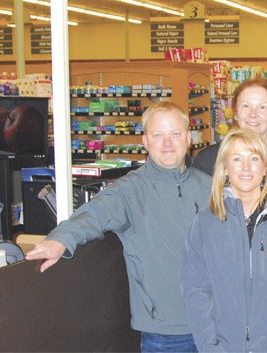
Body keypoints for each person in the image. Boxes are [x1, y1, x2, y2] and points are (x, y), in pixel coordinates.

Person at [25, 101, 212, 353]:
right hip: (165, 333)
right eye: (158, 135)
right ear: (145, 141)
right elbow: (93, 215)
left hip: (214, 324)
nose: (167, 143)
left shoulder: (210, 187)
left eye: (175, 134)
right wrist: (59, 240)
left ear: (188, 138)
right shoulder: (129, 190)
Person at [181, 128, 267, 352]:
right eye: (236, 158)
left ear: (265, 168)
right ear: (224, 168)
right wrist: (210, 345)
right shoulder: (205, 223)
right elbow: (196, 291)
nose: (245, 167)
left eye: (254, 158)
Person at [192, 78, 267, 199]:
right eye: (245, 106)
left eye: (262, 107)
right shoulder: (208, 159)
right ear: (235, 114)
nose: (253, 114)